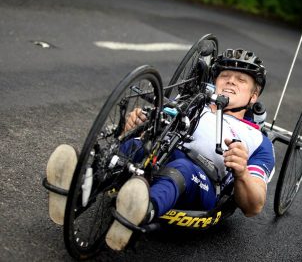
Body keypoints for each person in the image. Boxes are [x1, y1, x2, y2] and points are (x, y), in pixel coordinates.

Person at [44, 48, 275, 251]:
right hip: (159, 155)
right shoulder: (191, 103)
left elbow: (254, 206)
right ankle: (80, 186)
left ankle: (142, 209)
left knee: (181, 169)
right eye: (225, 76)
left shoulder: (258, 140)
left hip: (200, 180)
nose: (231, 81)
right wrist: (135, 125)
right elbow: (150, 129)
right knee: (133, 146)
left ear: (253, 96)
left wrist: (242, 172)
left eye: (241, 80)